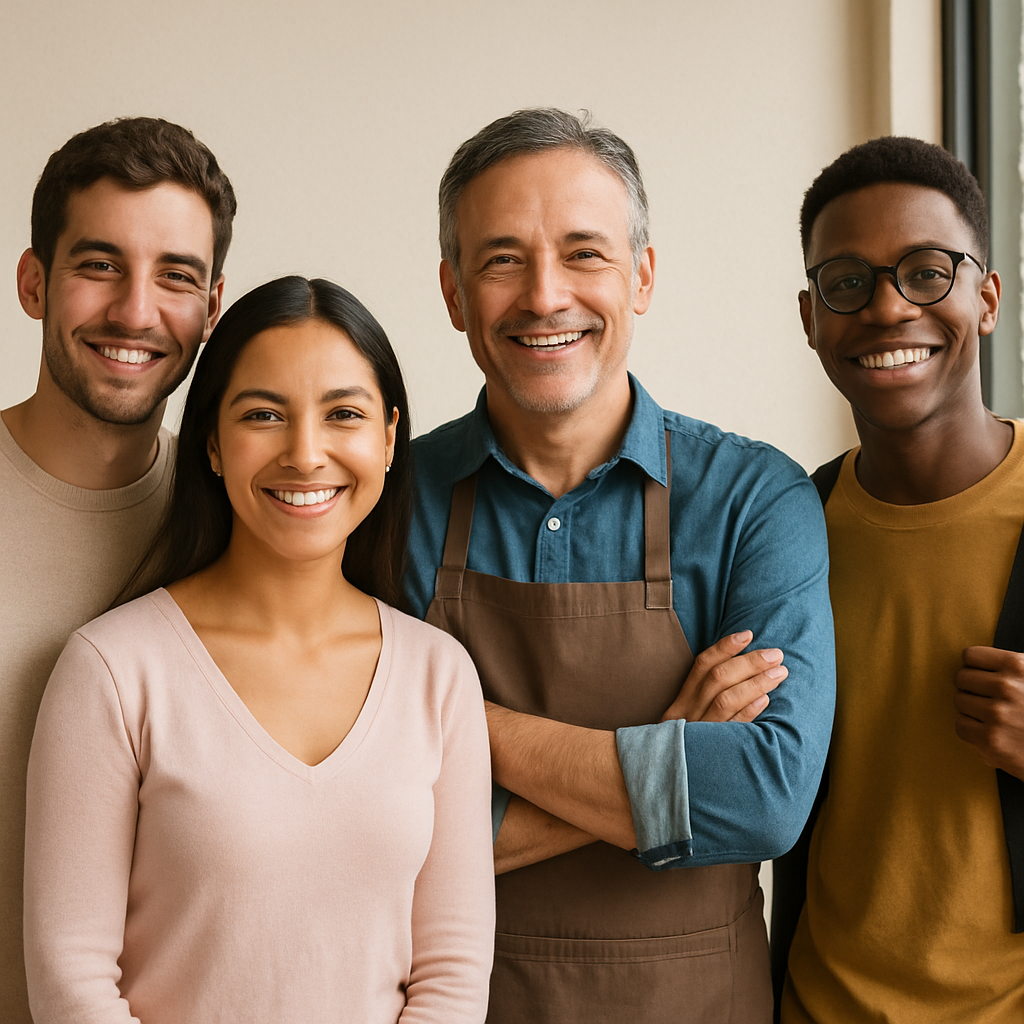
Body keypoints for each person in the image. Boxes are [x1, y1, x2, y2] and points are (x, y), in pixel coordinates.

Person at [404, 107, 836, 1023]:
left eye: (585, 253)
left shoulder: (757, 501)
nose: (545, 294)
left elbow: (762, 801)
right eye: (501, 259)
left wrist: (458, 723)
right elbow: (368, 823)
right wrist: (668, 746)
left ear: (642, 276)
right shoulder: (390, 501)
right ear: (452, 293)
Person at [23, 276, 495, 1023]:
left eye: (343, 413)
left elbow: (452, 976)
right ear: (211, 441)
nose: (306, 454)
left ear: (389, 437)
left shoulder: (440, 679)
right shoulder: (113, 671)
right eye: (264, 415)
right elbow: (70, 977)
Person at [778, 136, 1024, 1023]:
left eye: (926, 272)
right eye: (848, 281)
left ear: (987, 297)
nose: (886, 309)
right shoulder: (784, 531)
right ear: (811, 318)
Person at [0, 116, 234, 1023]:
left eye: (176, 276)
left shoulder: (239, 519)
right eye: (99, 265)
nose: (137, 311)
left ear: (212, 308)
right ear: (34, 282)